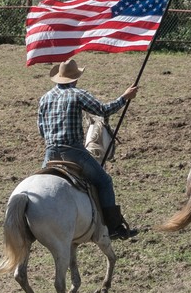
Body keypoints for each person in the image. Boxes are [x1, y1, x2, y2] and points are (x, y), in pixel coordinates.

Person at [38, 59, 139, 239]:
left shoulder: (45, 98)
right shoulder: (77, 94)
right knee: (105, 181)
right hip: (74, 153)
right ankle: (114, 227)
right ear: (75, 78)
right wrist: (124, 98)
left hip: (50, 154)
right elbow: (103, 110)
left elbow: (41, 130)